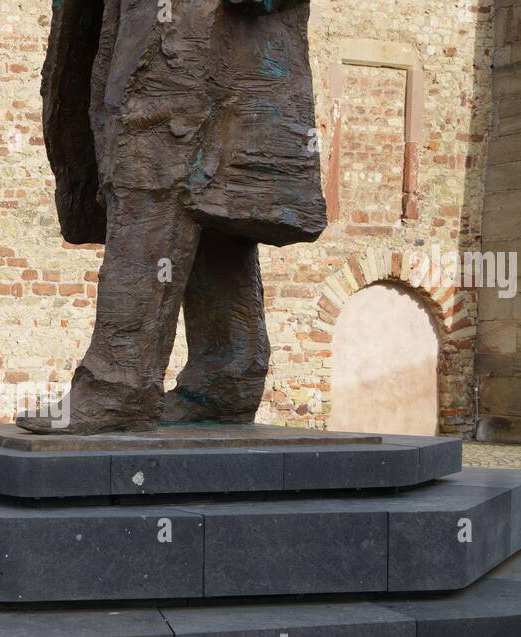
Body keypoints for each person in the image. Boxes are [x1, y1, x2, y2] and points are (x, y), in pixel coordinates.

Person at [20, 0, 326, 434]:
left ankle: (118, 383)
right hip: (146, 35)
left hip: (197, 51)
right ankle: (225, 378)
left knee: (151, 183)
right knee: (212, 205)